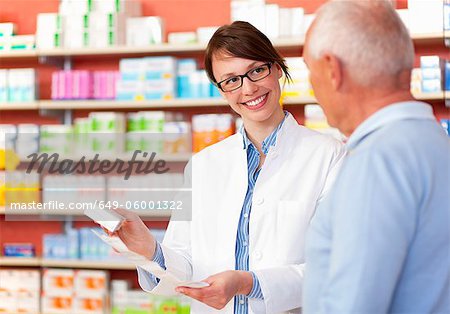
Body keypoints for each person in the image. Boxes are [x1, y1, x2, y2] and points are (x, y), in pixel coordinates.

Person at [113, 21, 345, 314]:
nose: (248, 88)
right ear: (222, 90)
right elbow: (185, 267)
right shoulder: (203, 165)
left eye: (257, 70)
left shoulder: (329, 156)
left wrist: (248, 283)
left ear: (276, 68)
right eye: (232, 80)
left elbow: (336, 266)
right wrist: (148, 250)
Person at [302, 1, 450, 313]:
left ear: (332, 69)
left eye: (309, 71)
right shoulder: (435, 141)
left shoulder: (377, 162)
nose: (312, 86)